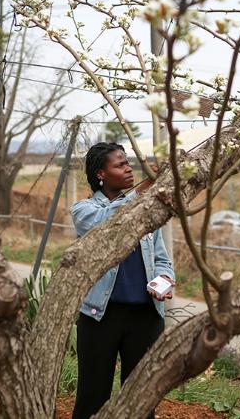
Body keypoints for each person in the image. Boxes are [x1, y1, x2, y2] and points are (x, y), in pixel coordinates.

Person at [71, 143, 175, 419]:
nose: (129, 168)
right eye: (120, 164)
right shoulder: (84, 210)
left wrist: (164, 278)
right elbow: (108, 221)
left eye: (128, 162)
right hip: (100, 317)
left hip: (146, 316)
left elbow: (162, 259)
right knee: (92, 398)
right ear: (100, 174)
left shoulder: (145, 211)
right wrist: (140, 197)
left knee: (142, 400)